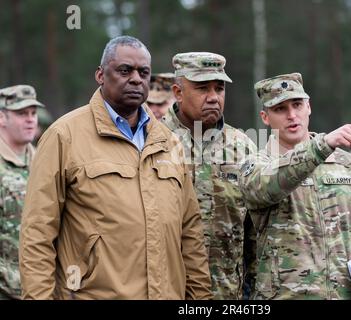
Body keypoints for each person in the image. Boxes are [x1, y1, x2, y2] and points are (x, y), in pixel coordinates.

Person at [19, 36, 212, 300]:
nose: (136, 79)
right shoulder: (64, 136)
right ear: (100, 75)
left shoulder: (169, 143)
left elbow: (190, 234)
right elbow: (37, 233)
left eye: (143, 72)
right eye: (124, 70)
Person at [239, 73, 351, 300]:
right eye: (280, 109)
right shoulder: (255, 166)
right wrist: (322, 146)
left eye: (297, 105)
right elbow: (266, 187)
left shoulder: (349, 166)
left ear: (308, 107)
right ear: (265, 117)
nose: (292, 115)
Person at [161, 52, 257, 299]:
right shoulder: (153, 140)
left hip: (226, 293)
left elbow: (255, 230)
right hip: (165, 290)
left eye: (219, 88)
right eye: (203, 88)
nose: (214, 97)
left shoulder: (243, 147)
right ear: (178, 92)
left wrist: (252, 291)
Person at [0, 85, 44, 299]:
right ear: (2, 118)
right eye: (21, 113)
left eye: (33, 113)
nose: (30, 120)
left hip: (41, 287)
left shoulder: (45, 161)